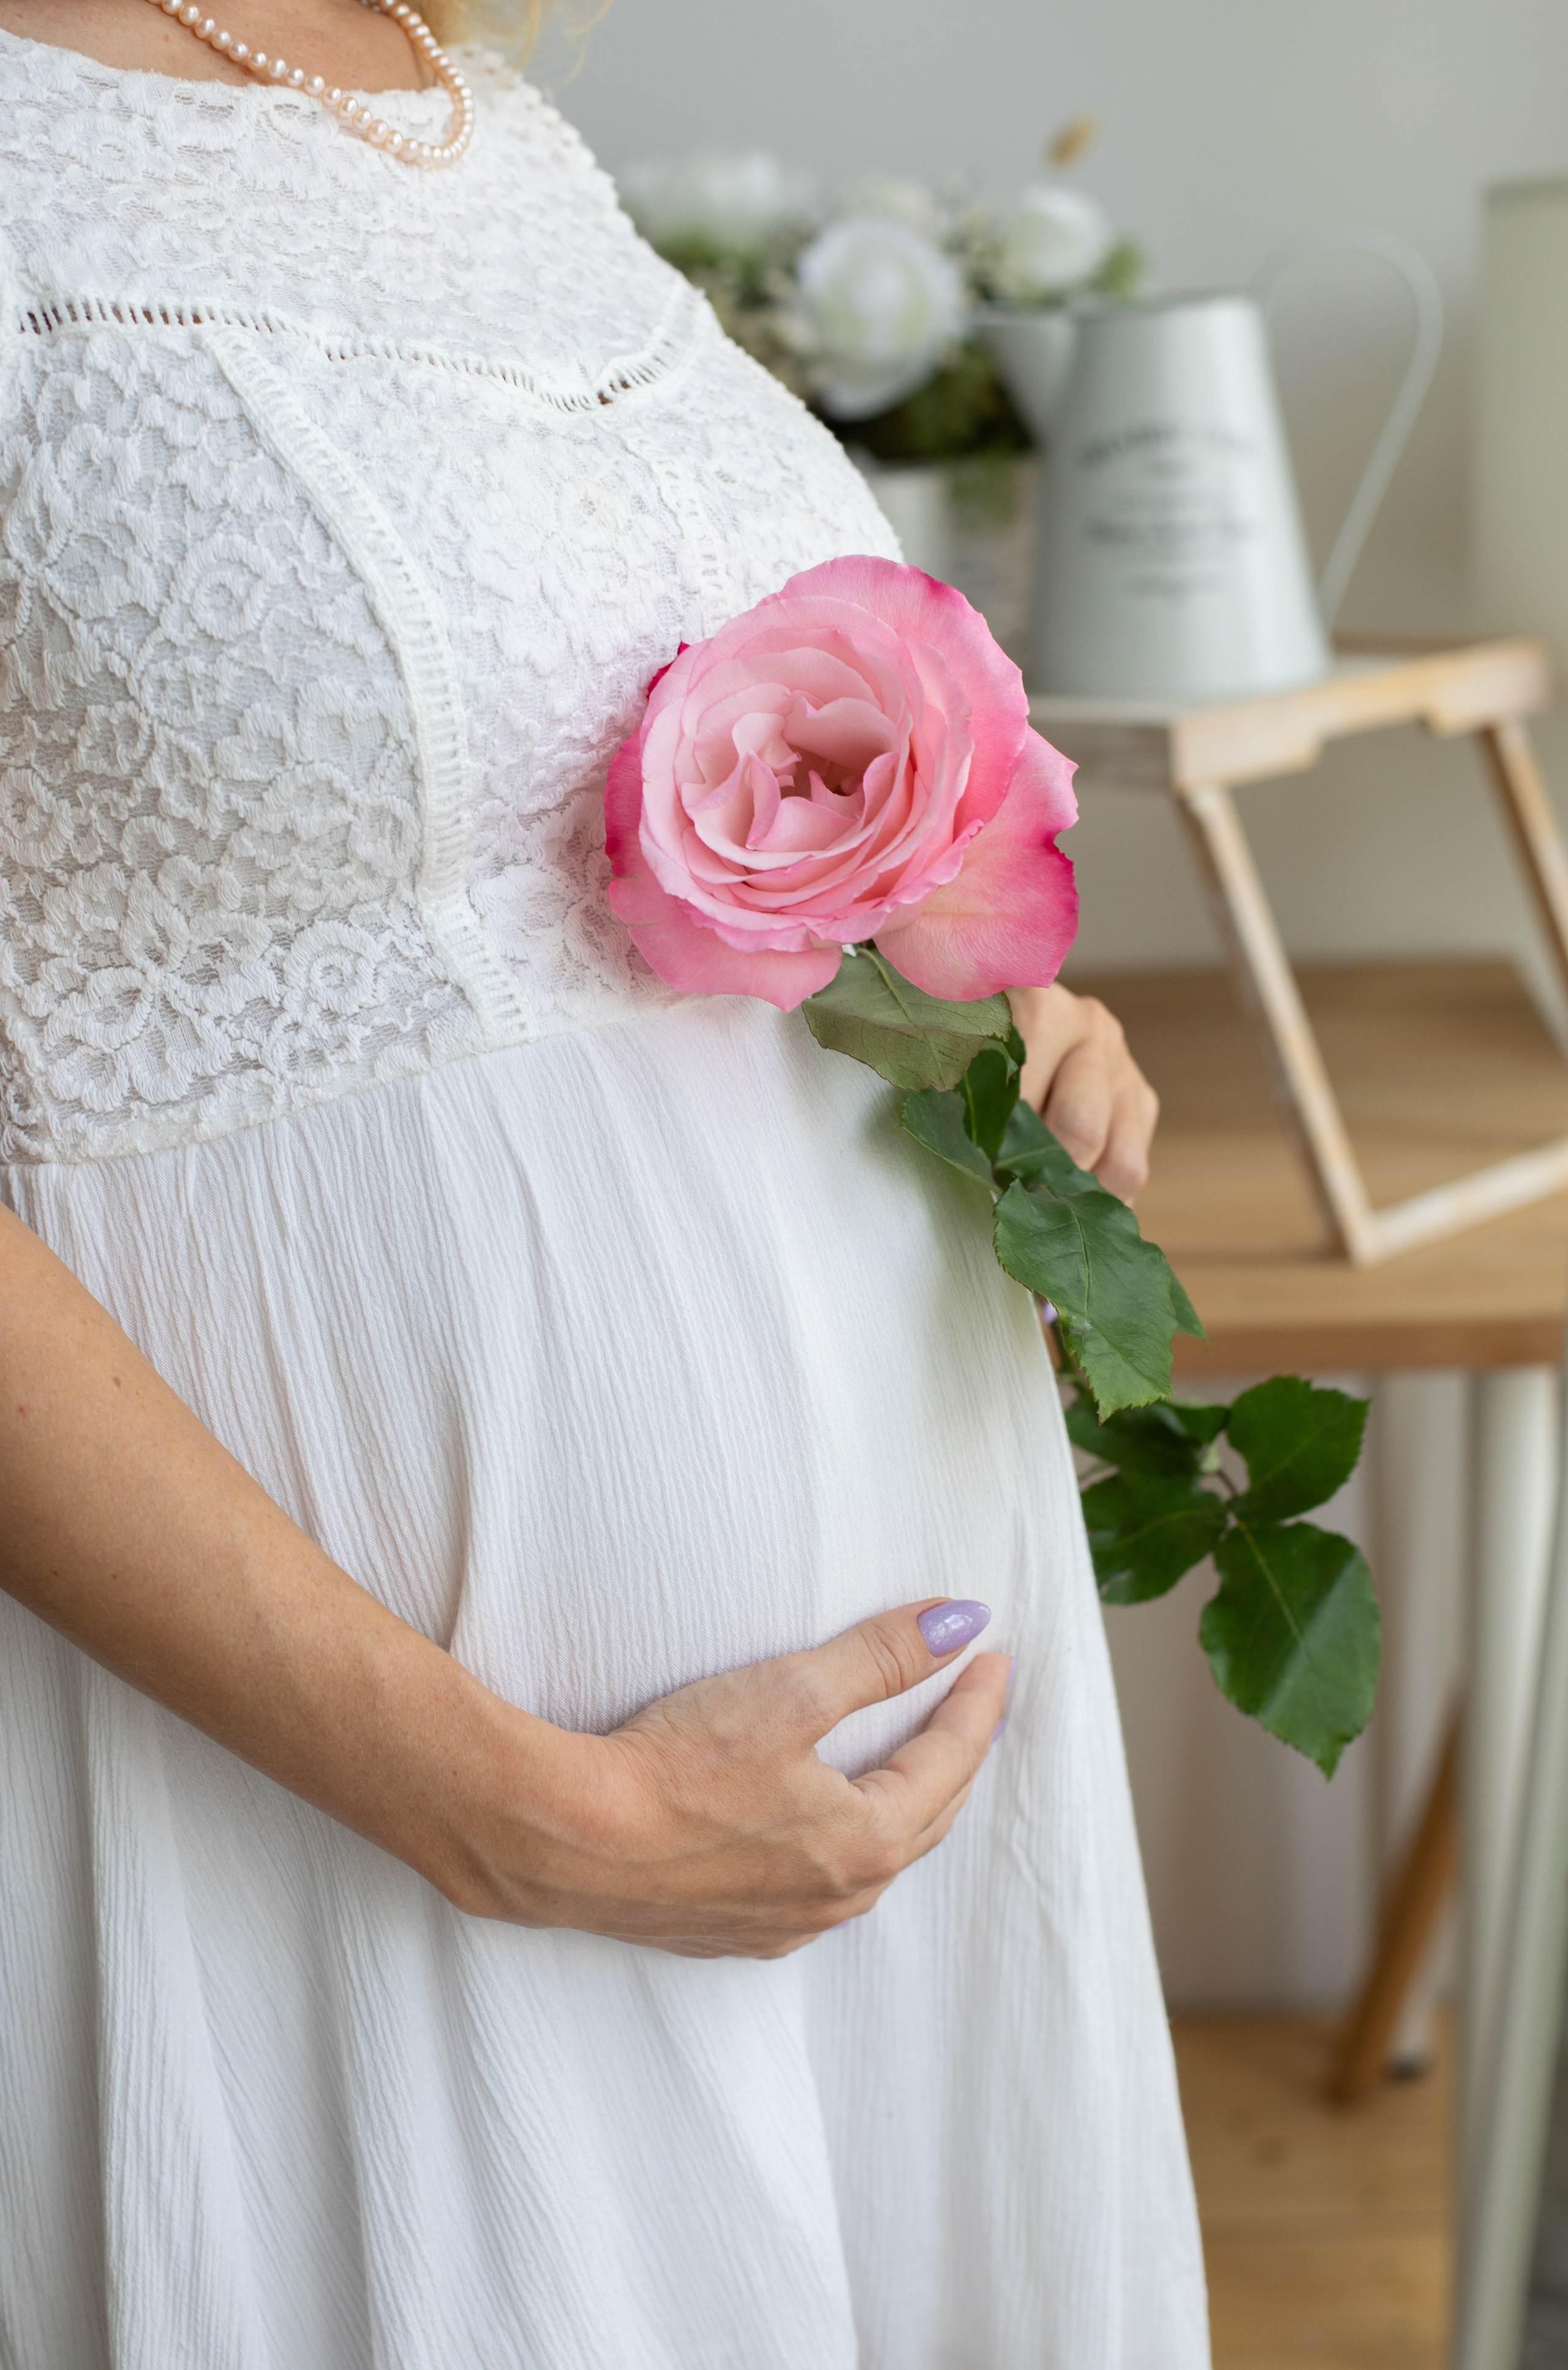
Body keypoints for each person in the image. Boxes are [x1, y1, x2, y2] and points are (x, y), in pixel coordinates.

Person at [0, 4, 1208, 2362]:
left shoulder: (449, 96)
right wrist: (508, 1810)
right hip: (351, 1824)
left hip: (907, 1805)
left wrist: (978, 1006)